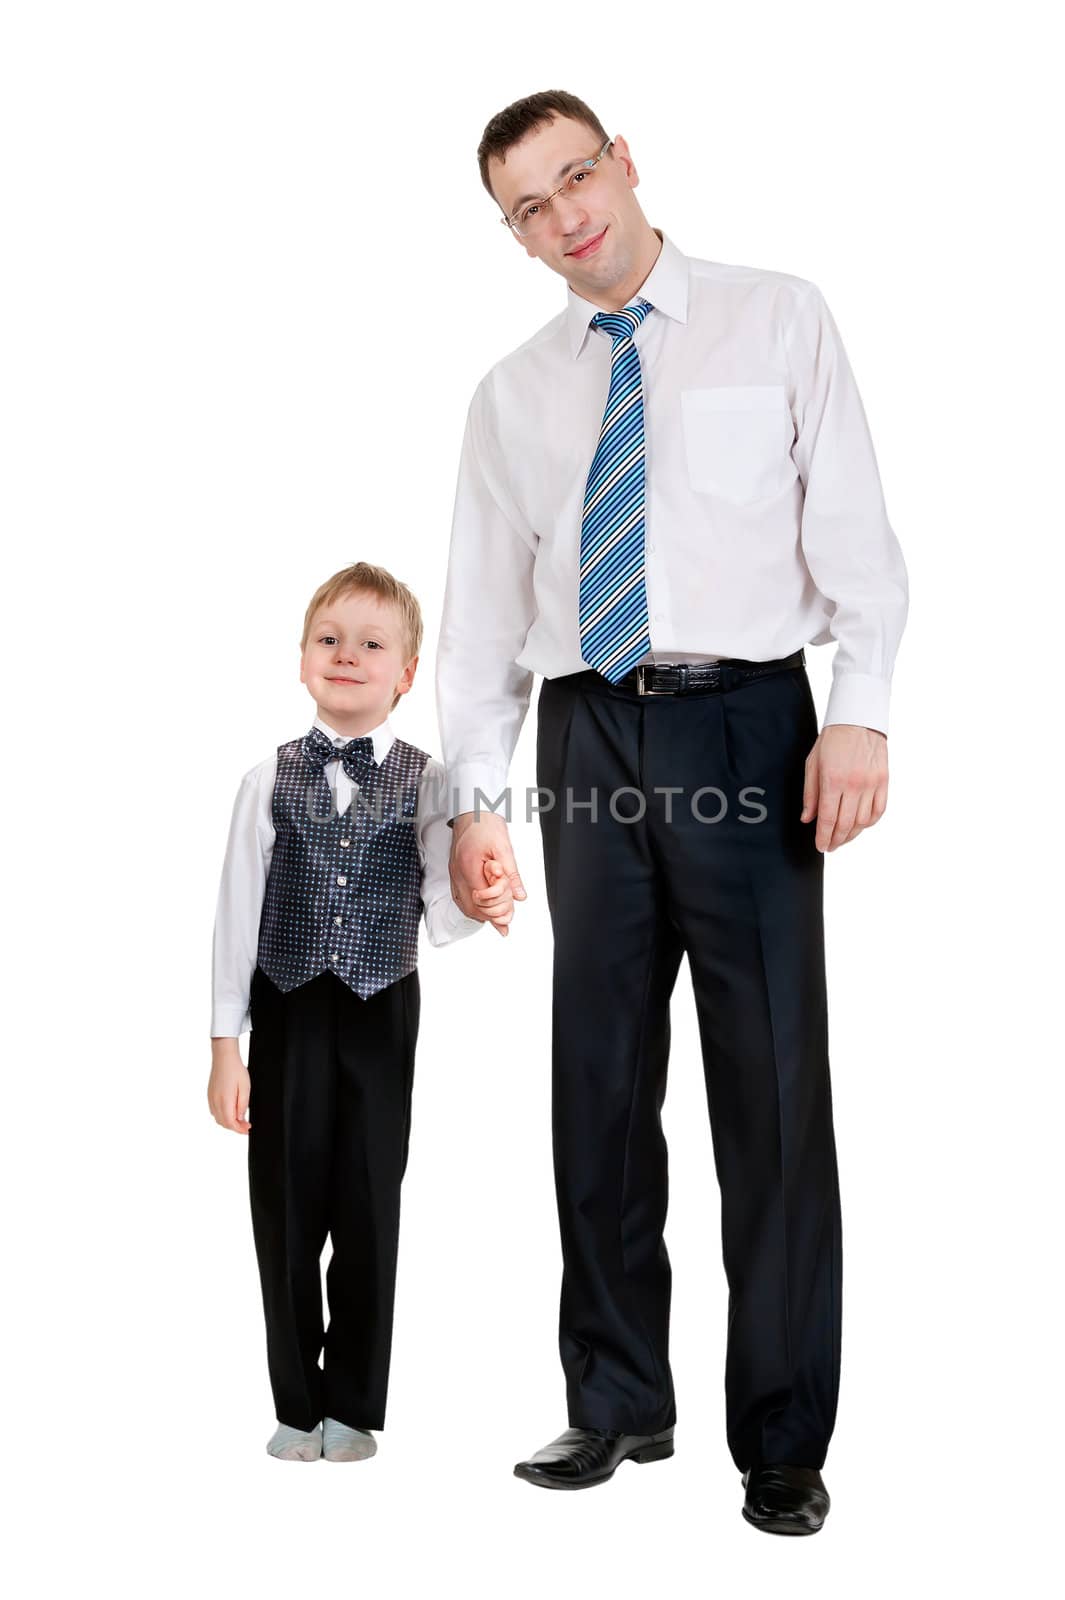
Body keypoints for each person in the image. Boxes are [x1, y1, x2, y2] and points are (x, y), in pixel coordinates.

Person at [436, 91, 908, 1532]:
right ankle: (616, 1402)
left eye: (577, 176)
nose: (567, 214)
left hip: (750, 723)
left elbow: (858, 536)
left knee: (769, 1090)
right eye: (531, 206)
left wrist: (861, 710)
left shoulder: (776, 319)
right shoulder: (513, 393)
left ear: (625, 163)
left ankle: (781, 1435)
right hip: (583, 735)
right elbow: (474, 622)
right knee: (598, 1081)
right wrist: (474, 802)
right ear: (514, 237)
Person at [208, 561, 513, 1462]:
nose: (349, 656)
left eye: (372, 645)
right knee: (287, 1207)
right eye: (330, 640)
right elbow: (234, 917)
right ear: (302, 659)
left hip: (383, 1008)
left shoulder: (432, 781)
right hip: (289, 1007)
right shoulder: (266, 779)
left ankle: (354, 1406)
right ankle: (296, 1406)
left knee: (370, 1202)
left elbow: (442, 898)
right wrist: (227, 1044)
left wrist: (481, 897)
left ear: (406, 673)